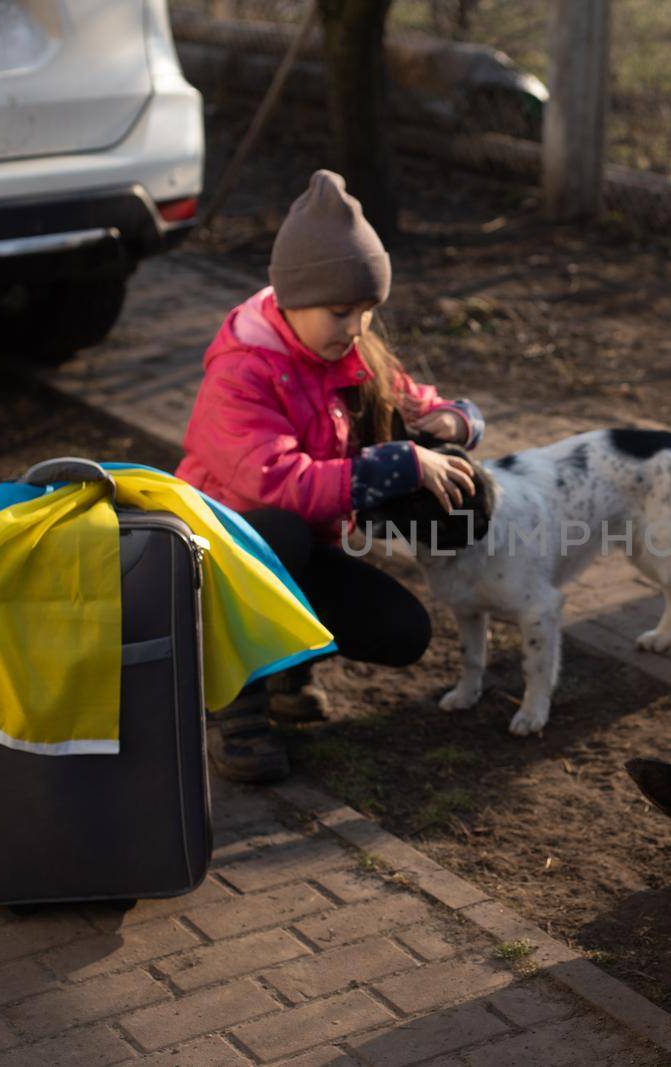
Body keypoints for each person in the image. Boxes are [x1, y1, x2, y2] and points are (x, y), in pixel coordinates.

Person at [177, 170, 482, 781]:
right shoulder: (242, 371)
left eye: (368, 312)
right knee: (280, 532)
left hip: (297, 551)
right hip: (215, 562)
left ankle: (287, 667)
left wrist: (452, 423)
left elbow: (414, 401)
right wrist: (398, 465)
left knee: (403, 633)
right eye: (341, 311)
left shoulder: (349, 353)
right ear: (291, 299)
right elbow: (275, 481)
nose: (357, 328)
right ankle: (232, 704)